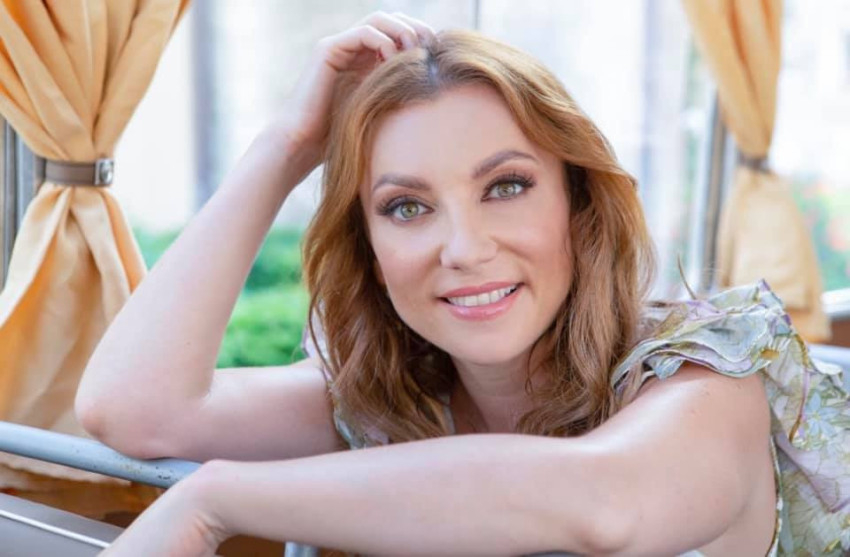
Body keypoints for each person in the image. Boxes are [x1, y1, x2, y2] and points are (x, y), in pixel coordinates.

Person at [75, 12, 789, 556]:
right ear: (370, 249)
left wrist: (214, 499)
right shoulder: (387, 399)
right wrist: (286, 146)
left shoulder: (710, 373)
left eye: (506, 186)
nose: (465, 249)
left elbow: (607, 501)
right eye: (407, 207)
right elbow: (132, 410)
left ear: (578, 205)